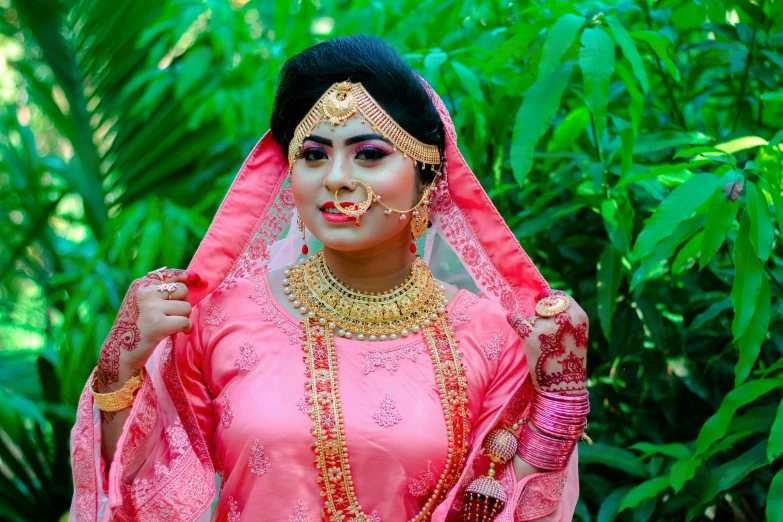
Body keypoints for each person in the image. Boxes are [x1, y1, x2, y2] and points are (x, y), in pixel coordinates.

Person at [69, 34, 589, 522]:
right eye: (314, 155)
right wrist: (119, 370)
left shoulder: (492, 336)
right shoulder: (219, 318)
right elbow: (140, 496)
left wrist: (561, 402)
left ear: (428, 175)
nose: (336, 178)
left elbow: (501, 502)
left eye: (369, 154)